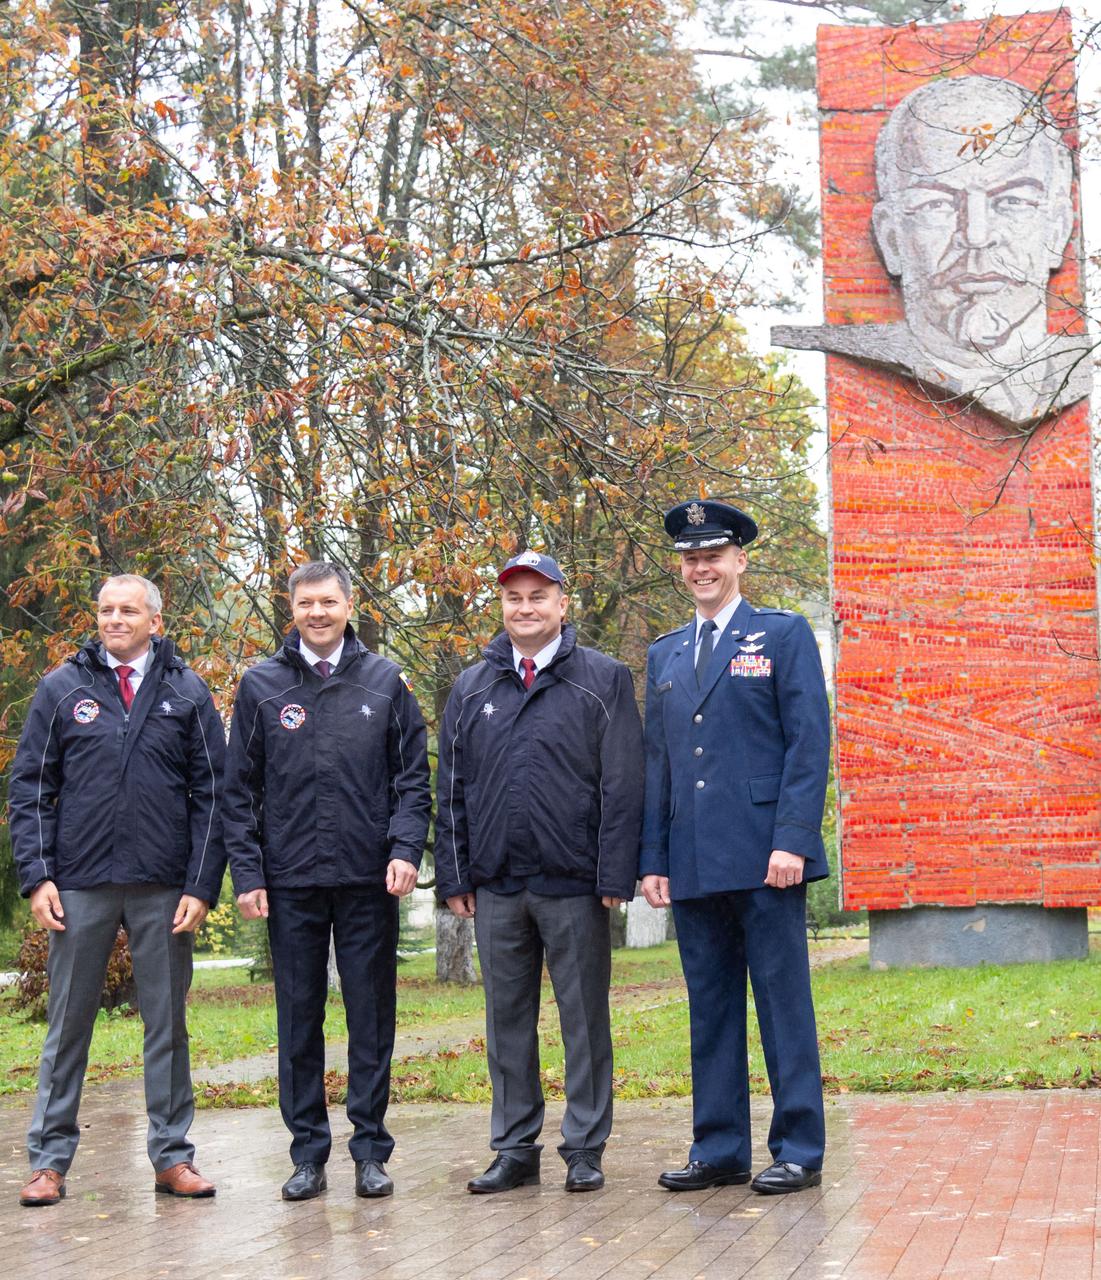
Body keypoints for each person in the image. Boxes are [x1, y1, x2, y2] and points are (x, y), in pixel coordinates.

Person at [8, 574, 225, 1206]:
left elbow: (212, 796)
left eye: (128, 611)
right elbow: (32, 789)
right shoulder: (61, 688)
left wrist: (201, 885)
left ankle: (172, 1158)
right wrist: (38, 876)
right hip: (79, 885)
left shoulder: (186, 692)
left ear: (155, 621)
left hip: (164, 889)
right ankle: (48, 1162)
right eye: (105, 610)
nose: (114, 620)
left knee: (167, 1027)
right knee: (67, 1028)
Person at [436, 551, 643, 1194]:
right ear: (502, 607)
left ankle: (584, 1146)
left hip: (575, 882)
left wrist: (615, 874)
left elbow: (623, 783)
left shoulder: (603, 680)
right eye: (513, 598)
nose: (525, 608)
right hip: (497, 884)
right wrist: (454, 874)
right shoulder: (471, 687)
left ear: (562, 604)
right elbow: (451, 790)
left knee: (584, 1020)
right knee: (506, 1023)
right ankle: (514, 1147)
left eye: (537, 596)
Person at [223, 560, 430, 1202]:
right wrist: (250, 874)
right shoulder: (260, 687)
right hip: (290, 882)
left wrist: (404, 850)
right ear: (292, 609)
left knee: (371, 1018)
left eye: (329, 602)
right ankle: (308, 1154)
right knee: (298, 1020)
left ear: (350, 604)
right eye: (306, 602)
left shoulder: (385, 682)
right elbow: (238, 792)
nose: (318, 612)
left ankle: (371, 1150)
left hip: (369, 880)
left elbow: (413, 779)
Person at [640, 501, 831, 1195]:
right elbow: (657, 762)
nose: (701, 568)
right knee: (710, 1008)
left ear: (739, 560)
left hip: (764, 858)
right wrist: (652, 858)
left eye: (712, 556)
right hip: (692, 860)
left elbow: (807, 748)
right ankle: (718, 1147)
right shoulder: (664, 652)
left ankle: (798, 1148)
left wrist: (791, 841)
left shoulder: (778, 635)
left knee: (783, 1005)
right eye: (690, 559)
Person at [774, 75, 1089, 426]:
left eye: (1012, 201)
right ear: (892, 238)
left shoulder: (1083, 365)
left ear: (1058, 229)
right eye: (935, 204)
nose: (976, 235)